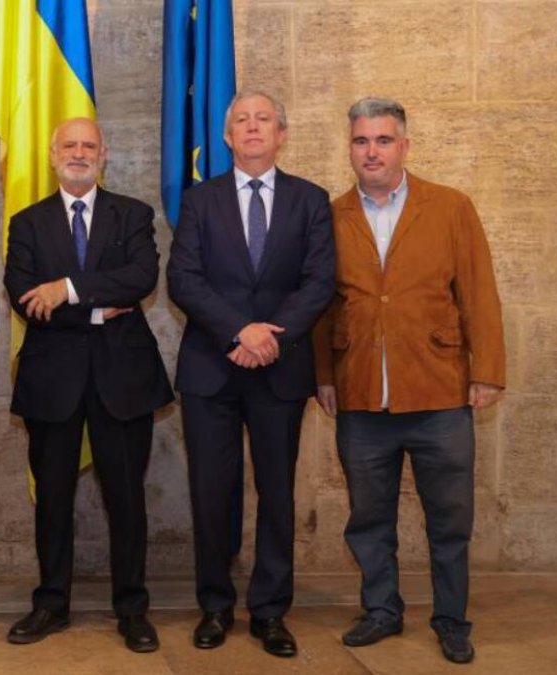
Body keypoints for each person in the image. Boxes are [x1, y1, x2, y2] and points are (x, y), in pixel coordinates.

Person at [313, 97, 505, 665]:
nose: (371, 151)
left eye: (383, 140)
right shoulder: (329, 215)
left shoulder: (450, 207)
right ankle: (381, 609)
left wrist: (487, 372)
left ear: (405, 146)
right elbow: (322, 307)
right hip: (361, 394)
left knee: (450, 517)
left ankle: (451, 618)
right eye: (361, 141)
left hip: (440, 391)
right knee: (368, 517)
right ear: (349, 147)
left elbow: (479, 292)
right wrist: (324, 376)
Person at [166, 89, 336, 657]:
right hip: (211, 370)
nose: (253, 127)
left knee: (277, 493)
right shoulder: (199, 200)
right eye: (242, 119)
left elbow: (318, 283)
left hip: (279, 371)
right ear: (226, 136)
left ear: (282, 134)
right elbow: (183, 279)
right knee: (212, 493)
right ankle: (215, 606)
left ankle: (269, 611)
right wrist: (241, 331)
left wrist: (269, 337)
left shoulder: (311, 200)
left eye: (264, 119)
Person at [3, 118, 174, 654]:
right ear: (54, 157)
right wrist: (99, 309)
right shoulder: (27, 222)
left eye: (89, 146)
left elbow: (141, 278)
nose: (79, 153)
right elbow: (22, 298)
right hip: (52, 380)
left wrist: (67, 289)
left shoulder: (134, 214)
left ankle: (132, 609)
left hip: (122, 380)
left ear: (105, 155)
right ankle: (50, 603)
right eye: (68, 145)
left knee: (126, 499)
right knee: (52, 499)